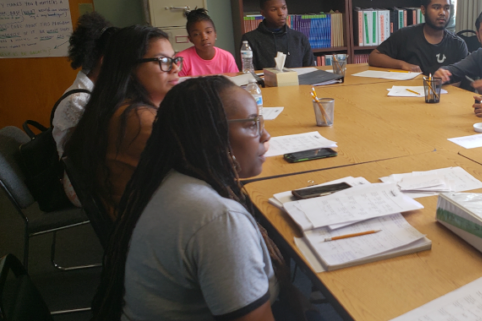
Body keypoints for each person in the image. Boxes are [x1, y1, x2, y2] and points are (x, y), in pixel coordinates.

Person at [90, 76, 314, 321]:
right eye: (252, 125)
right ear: (211, 135)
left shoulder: (169, 178)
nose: (265, 135)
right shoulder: (218, 219)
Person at [64, 25, 182, 219]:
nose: (175, 67)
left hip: (143, 218)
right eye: (163, 61)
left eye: (175, 59)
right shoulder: (137, 119)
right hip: (147, 229)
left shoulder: (117, 106)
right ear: (130, 67)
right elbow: (200, 169)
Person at [53, 12, 117, 206]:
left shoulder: (97, 91)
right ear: (104, 60)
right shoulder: (78, 101)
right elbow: (92, 157)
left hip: (94, 170)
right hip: (80, 183)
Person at [368, 0, 468, 74]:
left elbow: (458, 81)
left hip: (444, 97)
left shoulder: (458, 44)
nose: (442, 13)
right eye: (436, 7)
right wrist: (402, 64)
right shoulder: (405, 35)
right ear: (423, 10)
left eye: (446, 8)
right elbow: (374, 57)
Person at [241, 0, 315, 70]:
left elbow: (310, 71)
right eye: (274, 9)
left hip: (298, 83)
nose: (281, 13)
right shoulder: (250, 39)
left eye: (284, 8)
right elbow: (249, 73)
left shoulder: (300, 38)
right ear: (263, 13)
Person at [175, 8, 239, 77]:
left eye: (208, 32)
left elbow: (234, 84)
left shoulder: (227, 58)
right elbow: (178, 87)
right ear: (191, 39)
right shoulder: (181, 60)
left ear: (215, 34)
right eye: (196, 34)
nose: (204, 37)